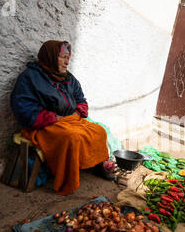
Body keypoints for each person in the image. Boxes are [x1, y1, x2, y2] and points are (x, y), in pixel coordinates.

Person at [10, 40, 116, 196]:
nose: (67, 61)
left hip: (70, 120)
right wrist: (55, 118)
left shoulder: (69, 79)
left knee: (99, 131)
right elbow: (24, 110)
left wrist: (77, 113)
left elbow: (81, 100)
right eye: (63, 57)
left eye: (68, 57)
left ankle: (97, 164)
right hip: (44, 125)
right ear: (50, 56)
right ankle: (69, 179)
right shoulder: (30, 78)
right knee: (72, 138)